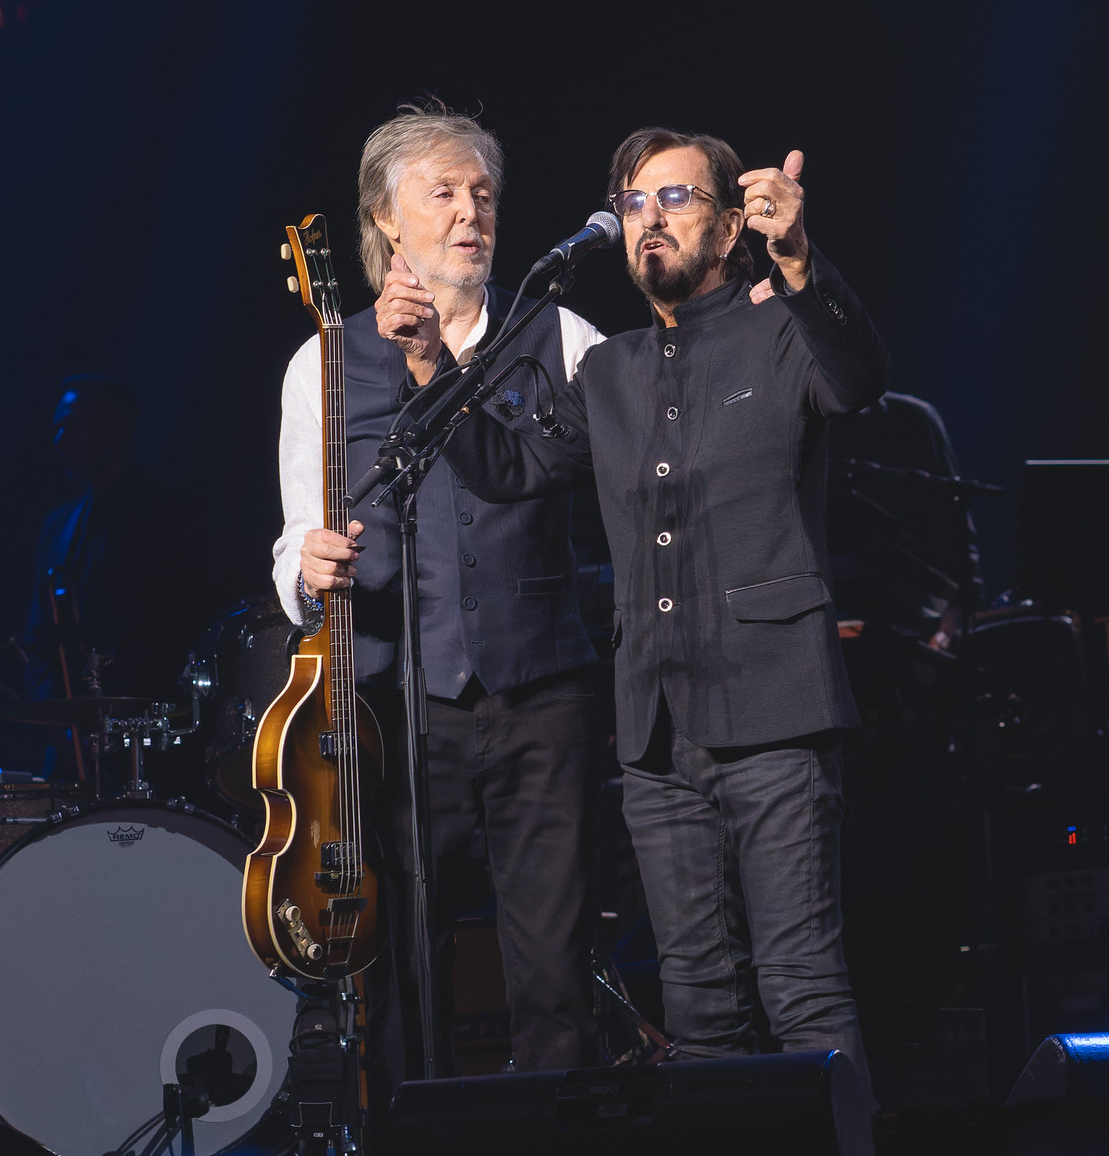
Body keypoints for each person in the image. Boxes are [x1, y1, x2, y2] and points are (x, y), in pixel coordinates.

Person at [441, 127, 891, 1106]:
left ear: (730, 226)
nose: (649, 218)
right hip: (655, 731)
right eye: (634, 201)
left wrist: (803, 262)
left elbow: (856, 377)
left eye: (676, 198)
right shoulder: (611, 372)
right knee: (695, 1010)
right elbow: (508, 467)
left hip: (778, 711)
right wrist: (428, 359)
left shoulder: (783, 327)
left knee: (803, 992)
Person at [270, 101, 605, 1090]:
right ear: (386, 218)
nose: (471, 214)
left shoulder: (560, 333)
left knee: (553, 959)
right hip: (397, 708)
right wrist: (307, 567)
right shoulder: (324, 361)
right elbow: (295, 534)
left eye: (483, 195)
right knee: (403, 953)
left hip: (541, 689)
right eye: (444, 193)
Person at [23, 376, 209, 782]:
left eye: (71, 425)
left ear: (114, 430)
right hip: (71, 747)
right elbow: (41, 641)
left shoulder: (168, 518)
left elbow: (174, 633)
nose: (59, 440)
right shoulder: (58, 526)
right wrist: (54, 723)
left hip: (147, 745)